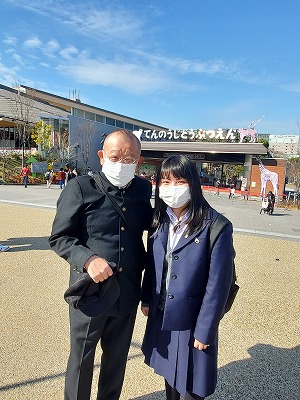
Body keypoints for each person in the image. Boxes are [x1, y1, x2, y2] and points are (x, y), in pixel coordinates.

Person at [49, 129, 153, 400]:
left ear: (139, 162)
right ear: (102, 156)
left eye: (129, 159)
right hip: (90, 292)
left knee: (116, 362)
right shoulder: (80, 187)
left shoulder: (143, 189)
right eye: (115, 156)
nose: (121, 163)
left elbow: (153, 232)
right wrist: (87, 259)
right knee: (82, 360)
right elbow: (59, 237)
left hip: (128, 291)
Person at [141, 155, 235, 400]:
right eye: (165, 182)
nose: (172, 189)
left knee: (193, 385)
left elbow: (218, 285)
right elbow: (153, 264)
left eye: (180, 181)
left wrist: (205, 329)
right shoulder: (159, 220)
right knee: (170, 376)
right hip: (164, 313)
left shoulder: (216, 226)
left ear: (193, 183)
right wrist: (147, 298)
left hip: (193, 320)